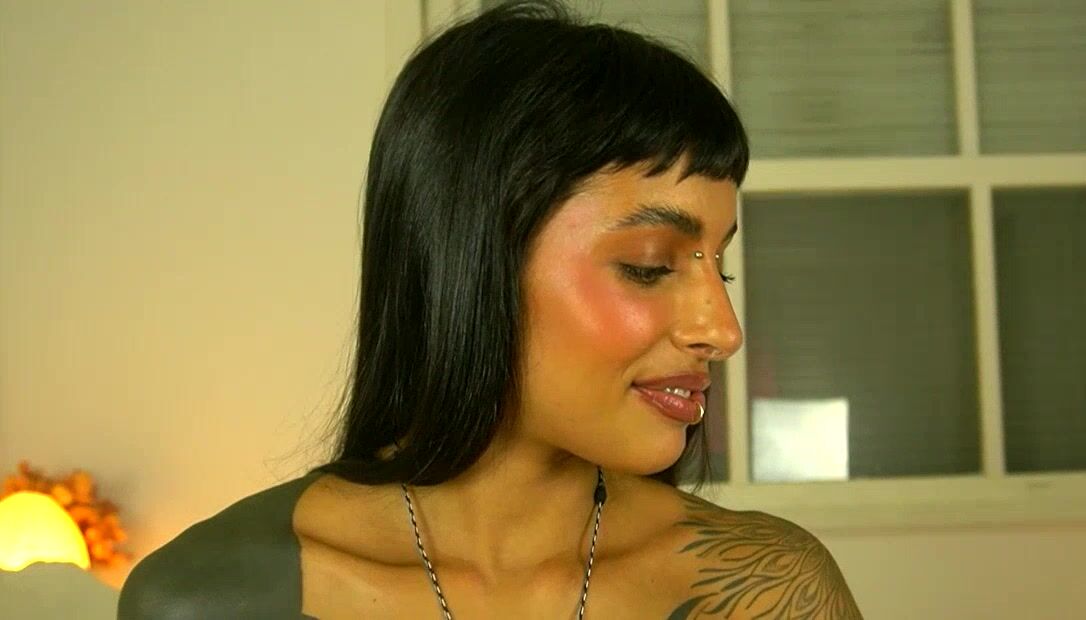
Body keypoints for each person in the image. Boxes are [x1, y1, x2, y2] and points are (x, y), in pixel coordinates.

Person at [118, 1, 862, 618]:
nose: (721, 331)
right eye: (649, 265)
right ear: (473, 261)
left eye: (719, 266)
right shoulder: (210, 600)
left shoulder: (772, 592)